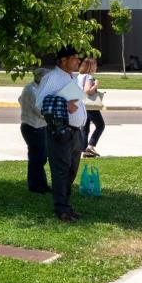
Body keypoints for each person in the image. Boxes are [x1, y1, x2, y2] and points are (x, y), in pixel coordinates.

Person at [34, 47, 88, 223]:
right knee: (61, 171)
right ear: (62, 60)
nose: (78, 61)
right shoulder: (52, 78)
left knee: (71, 171)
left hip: (75, 132)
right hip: (61, 131)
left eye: (78, 58)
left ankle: (66, 205)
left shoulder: (71, 77)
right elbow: (39, 105)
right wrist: (64, 105)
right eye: (74, 58)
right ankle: (61, 209)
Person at [16, 64, 53, 193]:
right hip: (32, 127)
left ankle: (42, 184)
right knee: (36, 157)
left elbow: (20, 99)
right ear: (41, 79)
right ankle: (34, 185)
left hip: (39, 127)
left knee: (41, 157)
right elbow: (40, 112)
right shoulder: (31, 90)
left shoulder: (36, 89)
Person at [79, 56, 105, 158]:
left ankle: (84, 150)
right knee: (100, 125)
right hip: (90, 105)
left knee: (85, 128)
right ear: (90, 66)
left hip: (81, 104)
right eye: (95, 65)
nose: (96, 67)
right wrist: (96, 85)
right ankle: (91, 146)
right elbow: (87, 91)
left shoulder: (80, 76)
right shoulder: (88, 77)